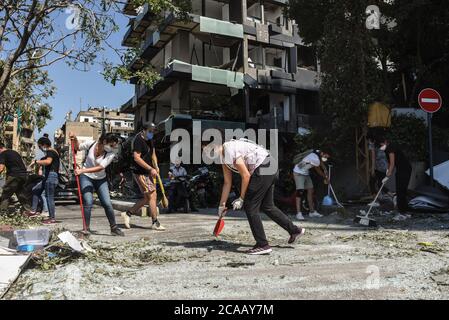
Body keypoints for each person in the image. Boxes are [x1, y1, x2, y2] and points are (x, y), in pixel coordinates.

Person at [206, 138, 305, 255]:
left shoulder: (229, 149)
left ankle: (262, 244)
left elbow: (246, 176)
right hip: (269, 166)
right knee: (267, 206)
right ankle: (294, 230)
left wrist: (241, 198)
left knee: (250, 205)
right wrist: (221, 205)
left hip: (264, 166)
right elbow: (227, 182)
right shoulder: (223, 157)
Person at [70, 132, 125, 236]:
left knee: (107, 203)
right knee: (88, 201)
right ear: (104, 142)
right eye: (112, 144)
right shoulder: (91, 144)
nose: (113, 147)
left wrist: (82, 171)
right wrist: (75, 138)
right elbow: (77, 147)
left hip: (100, 179)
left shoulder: (111, 153)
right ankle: (86, 228)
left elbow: (101, 167)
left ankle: (114, 227)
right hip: (86, 177)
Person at [121, 123, 165, 231]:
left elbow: (153, 153)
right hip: (140, 172)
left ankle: (128, 213)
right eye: (150, 131)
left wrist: (156, 166)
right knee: (152, 195)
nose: (152, 134)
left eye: (153, 132)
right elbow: (137, 158)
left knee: (147, 198)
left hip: (149, 172)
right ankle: (155, 222)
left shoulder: (149, 139)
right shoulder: (138, 140)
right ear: (144, 130)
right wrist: (150, 169)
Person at [376, 136, 412, 217]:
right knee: (399, 189)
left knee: (401, 189)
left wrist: (388, 175)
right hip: (400, 169)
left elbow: (392, 164)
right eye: (380, 146)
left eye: (381, 145)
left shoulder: (391, 147)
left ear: (385, 142)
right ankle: (402, 210)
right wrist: (387, 173)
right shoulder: (386, 150)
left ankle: (403, 211)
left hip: (405, 169)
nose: (381, 147)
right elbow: (389, 164)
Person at [30, 137, 60, 224]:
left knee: (49, 197)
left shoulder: (50, 151)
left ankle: (52, 218)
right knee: (36, 190)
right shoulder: (51, 152)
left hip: (51, 176)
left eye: (40, 146)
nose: (40, 148)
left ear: (44, 145)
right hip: (48, 177)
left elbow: (48, 162)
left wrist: (36, 162)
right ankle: (33, 211)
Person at [292, 150, 329, 221]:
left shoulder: (316, 153)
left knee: (310, 190)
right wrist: (326, 177)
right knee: (300, 192)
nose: (326, 158)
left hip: (305, 173)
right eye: (326, 156)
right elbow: (318, 170)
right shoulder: (316, 160)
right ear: (322, 155)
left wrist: (325, 169)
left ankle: (312, 212)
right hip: (298, 173)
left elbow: (321, 163)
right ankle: (298, 213)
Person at [0, 141, 29, 212]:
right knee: (21, 194)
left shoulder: (3, 154)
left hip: (14, 176)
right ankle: (28, 211)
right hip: (24, 175)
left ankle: (2, 213)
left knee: (6, 194)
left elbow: (1, 168)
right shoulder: (14, 152)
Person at [367, 134, 389, 206]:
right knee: (380, 184)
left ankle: (376, 200)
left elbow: (373, 158)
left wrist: (372, 169)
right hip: (384, 167)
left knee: (372, 183)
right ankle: (388, 196)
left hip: (378, 167)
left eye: (368, 140)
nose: (368, 141)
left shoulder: (372, 145)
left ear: (370, 140)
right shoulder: (383, 145)